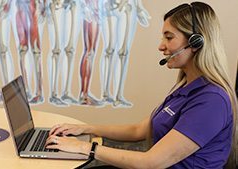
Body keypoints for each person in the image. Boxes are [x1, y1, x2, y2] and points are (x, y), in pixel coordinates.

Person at [45, 2, 237, 168]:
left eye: (169, 38)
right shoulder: (187, 87)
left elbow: (152, 162)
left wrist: (84, 147)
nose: (161, 46)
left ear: (196, 42)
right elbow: (140, 130)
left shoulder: (212, 100)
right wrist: (86, 129)